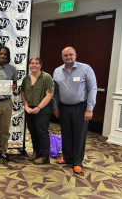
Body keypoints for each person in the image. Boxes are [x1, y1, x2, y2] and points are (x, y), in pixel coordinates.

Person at [53, 46, 97, 174]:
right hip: (64, 107)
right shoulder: (57, 71)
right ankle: (67, 158)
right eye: (66, 55)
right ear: (62, 57)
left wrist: (90, 109)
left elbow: (92, 89)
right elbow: (55, 91)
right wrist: (55, 106)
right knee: (66, 133)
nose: (68, 57)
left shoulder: (85, 69)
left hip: (80, 107)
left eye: (70, 55)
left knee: (79, 135)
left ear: (75, 55)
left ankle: (77, 162)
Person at [21, 57, 54, 165]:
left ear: (40, 65)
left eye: (36, 63)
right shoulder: (26, 78)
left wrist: (38, 108)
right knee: (33, 132)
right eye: (32, 63)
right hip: (29, 109)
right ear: (29, 65)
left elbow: (50, 94)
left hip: (43, 109)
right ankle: (36, 152)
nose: (34, 65)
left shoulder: (46, 77)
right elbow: (23, 93)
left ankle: (45, 156)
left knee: (42, 132)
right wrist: (26, 107)